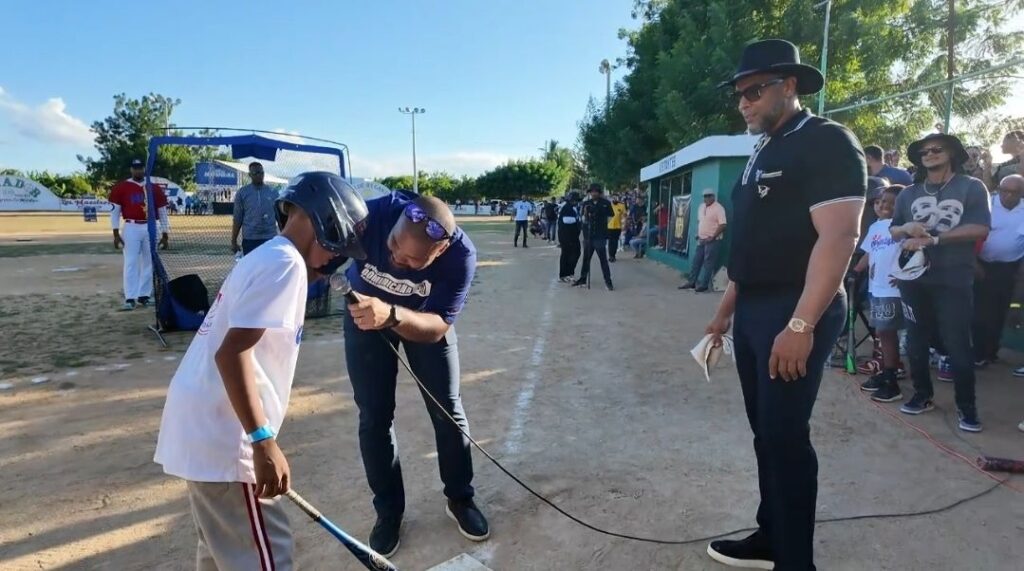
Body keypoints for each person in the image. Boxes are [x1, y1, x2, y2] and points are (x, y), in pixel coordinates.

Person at [705, 39, 866, 570]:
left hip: (796, 307)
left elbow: (838, 237)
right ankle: (771, 535)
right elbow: (753, 245)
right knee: (766, 434)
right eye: (739, 94)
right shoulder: (763, 150)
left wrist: (801, 324)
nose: (743, 103)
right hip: (754, 307)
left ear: (790, 85)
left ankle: (796, 561)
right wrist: (726, 309)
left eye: (754, 91)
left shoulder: (826, 141)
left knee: (785, 437)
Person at [154, 172, 368, 571]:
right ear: (325, 223)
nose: (336, 260)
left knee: (225, 554)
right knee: (266, 556)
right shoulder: (285, 264)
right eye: (337, 248)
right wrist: (261, 439)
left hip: (207, 428)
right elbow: (231, 353)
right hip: (227, 435)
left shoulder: (269, 255)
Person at [338, 191, 488, 557]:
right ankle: (388, 512)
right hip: (363, 317)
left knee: (447, 410)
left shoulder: (460, 256)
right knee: (374, 417)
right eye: (393, 245)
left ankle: (460, 498)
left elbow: (437, 326)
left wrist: (391, 314)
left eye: (410, 260)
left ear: (439, 250)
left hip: (421, 321)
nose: (395, 259)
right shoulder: (372, 213)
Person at [890, 133, 990, 431]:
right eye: (924, 151)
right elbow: (894, 229)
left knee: (957, 342)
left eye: (937, 149)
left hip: (953, 277)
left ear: (952, 154)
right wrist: (906, 227)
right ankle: (922, 395)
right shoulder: (908, 193)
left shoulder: (971, 187)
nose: (930, 154)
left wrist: (934, 239)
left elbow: (981, 228)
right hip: (913, 277)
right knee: (916, 339)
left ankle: (967, 406)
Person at [852, 185, 905, 402]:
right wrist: (855, 271)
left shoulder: (903, 227)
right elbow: (869, 253)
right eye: (881, 201)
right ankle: (887, 370)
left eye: (891, 203)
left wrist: (903, 274)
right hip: (876, 287)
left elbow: (915, 252)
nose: (884, 205)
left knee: (886, 331)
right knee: (882, 333)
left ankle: (892, 380)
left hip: (893, 289)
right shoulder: (876, 226)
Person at [972, 175, 1024, 367]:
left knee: (1000, 311)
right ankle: (977, 353)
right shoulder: (986, 205)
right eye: (1004, 191)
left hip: (1009, 269)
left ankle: (991, 352)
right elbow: (970, 234)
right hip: (981, 265)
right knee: (978, 312)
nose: (1008, 195)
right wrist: (974, 262)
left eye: (1014, 192)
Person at [109, 158, 170, 311]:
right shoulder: (122, 187)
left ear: (144, 169)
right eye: (135, 168)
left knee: (149, 262)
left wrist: (165, 234)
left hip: (151, 226)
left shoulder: (154, 188)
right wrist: (115, 233)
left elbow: (162, 211)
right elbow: (114, 212)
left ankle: (144, 295)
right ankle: (130, 297)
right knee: (131, 262)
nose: (138, 170)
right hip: (131, 226)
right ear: (131, 169)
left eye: (141, 168)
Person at [679, 189, 727, 292]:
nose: (707, 198)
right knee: (696, 261)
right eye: (705, 196)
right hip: (701, 239)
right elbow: (700, 221)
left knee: (708, 263)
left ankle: (704, 285)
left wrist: (713, 236)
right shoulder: (701, 207)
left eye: (709, 196)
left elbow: (723, 224)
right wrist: (698, 233)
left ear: (713, 197)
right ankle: (691, 282)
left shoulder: (719, 208)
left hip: (713, 240)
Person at [572, 184, 615, 290]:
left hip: (600, 236)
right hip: (588, 235)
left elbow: (611, 216)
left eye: (596, 191)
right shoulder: (586, 204)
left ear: (599, 192)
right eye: (592, 191)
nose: (594, 193)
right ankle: (583, 279)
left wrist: (603, 225)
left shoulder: (605, 203)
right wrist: (586, 215)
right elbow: (582, 218)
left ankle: (608, 281)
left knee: (603, 260)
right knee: (586, 259)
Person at [231, 162, 279, 256]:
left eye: (261, 172)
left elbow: (280, 217)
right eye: (256, 173)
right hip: (250, 239)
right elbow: (237, 218)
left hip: (270, 237)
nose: (259, 175)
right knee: (252, 265)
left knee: (269, 265)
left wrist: (286, 237)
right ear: (250, 175)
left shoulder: (273, 192)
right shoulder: (242, 193)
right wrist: (233, 241)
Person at [558, 191, 583, 281]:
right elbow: (566, 220)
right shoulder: (567, 208)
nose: (575, 202)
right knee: (567, 254)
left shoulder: (573, 208)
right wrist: (579, 221)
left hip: (573, 236)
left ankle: (569, 272)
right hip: (566, 236)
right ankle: (564, 275)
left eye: (576, 200)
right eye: (574, 200)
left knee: (576, 253)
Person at [606, 195, 627, 262]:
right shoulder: (609, 205)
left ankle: (613, 255)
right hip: (609, 226)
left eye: (616, 198)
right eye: (613, 198)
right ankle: (610, 256)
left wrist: (624, 225)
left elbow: (624, 216)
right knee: (610, 241)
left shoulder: (622, 205)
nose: (615, 199)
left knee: (615, 241)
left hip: (618, 226)